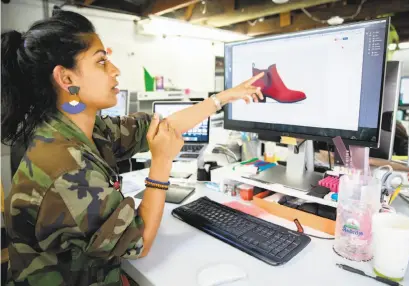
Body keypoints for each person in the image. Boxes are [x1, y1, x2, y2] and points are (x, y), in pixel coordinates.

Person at [1, 10, 264, 286]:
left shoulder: (80, 129)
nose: (115, 70)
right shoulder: (66, 169)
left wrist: (222, 98)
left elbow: (160, 126)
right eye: (102, 62)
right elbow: (138, 243)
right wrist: (161, 162)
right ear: (67, 79)